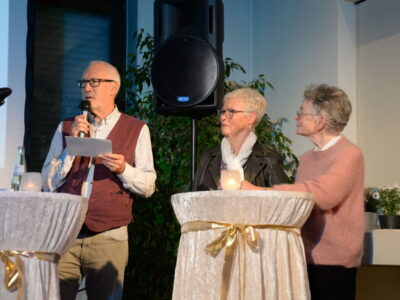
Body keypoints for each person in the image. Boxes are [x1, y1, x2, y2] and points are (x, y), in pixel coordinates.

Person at [41, 60, 156, 300]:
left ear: (113, 88)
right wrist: (69, 149)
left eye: (94, 82)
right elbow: (47, 183)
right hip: (66, 232)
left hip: (109, 236)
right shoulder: (66, 126)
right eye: (83, 83)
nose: (87, 88)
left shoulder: (136, 128)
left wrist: (124, 169)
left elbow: (148, 186)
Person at [241, 84, 364, 300]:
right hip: (303, 258)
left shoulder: (349, 154)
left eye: (301, 112)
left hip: (333, 263)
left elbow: (321, 194)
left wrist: (261, 191)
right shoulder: (307, 157)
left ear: (321, 121)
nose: (296, 117)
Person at [193, 87, 287, 191]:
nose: (223, 117)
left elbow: (285, 198)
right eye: (223, 111)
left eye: (231, 111)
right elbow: (193, 200)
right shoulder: (208, 157)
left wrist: (254, 190)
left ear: (251, 118)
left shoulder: (269, 159)